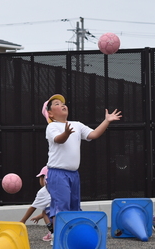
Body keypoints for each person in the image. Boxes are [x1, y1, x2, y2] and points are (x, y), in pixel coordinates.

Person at [43, 93, 122, 224]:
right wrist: (66, 133)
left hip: (74, 174)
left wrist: (106, 121)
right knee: (61, 207)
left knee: (74, 207)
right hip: (57, 173)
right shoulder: (52, 126)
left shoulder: (77, 125)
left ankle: (70, 239)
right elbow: (59, 139)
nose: (62, 105)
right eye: (56, 104)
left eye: (62, 103)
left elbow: (94, 134)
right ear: (50, 114)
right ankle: (57, 239)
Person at [19, 166, 53, 241]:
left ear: (44, 179)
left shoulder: (43, 191)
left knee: (44, 212)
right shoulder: (60, 188)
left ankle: (53, 232)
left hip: (57, 216)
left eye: (40, 178)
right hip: (67, 214)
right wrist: (38, 217)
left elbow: (33, 207)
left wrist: (23, 220)